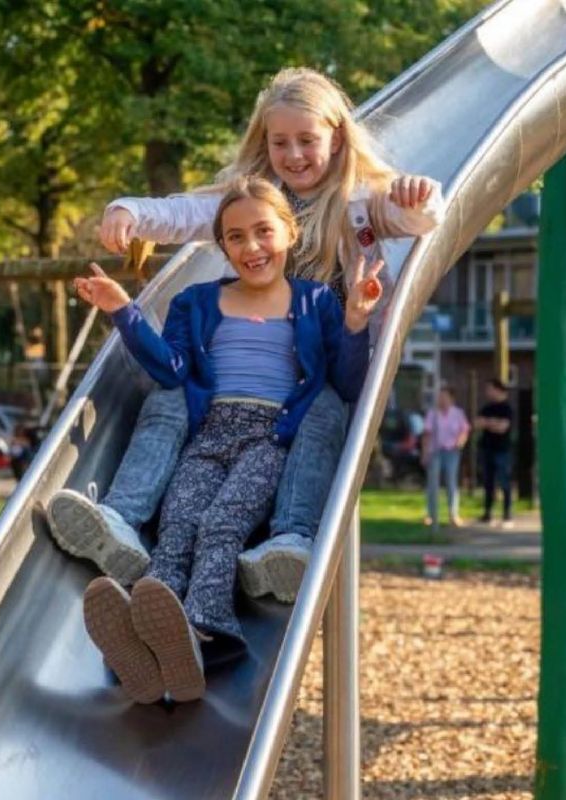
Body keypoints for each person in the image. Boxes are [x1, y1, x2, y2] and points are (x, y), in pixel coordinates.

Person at [47, 67, 444, 603]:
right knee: (170, 401)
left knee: (325, 410)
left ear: (337, 138)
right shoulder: (253, 202)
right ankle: (120, 519)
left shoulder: (362, 204)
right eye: (280, 142)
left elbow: (419, 216)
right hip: (241, 378)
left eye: (308, 140)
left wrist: (419, 197)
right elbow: (185, 213)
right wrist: (130, 211)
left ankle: (289, 539)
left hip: (318, 373)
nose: (295, 154)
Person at [75, 178, 382, 703]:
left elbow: (347, 383)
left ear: (290, 232)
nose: (252, 247)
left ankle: (205, 630)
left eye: (264, 231)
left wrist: (355, 320)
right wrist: (123, 310)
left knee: (222, 522)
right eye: (236, 237)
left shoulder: (314, 302)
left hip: (270, 436)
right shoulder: (196, 302)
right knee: (178, 521)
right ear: (223, 246)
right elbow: (169, 368)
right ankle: (151, 639)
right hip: (211, 431)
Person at [421, 386, 470, 527]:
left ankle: (453, 514)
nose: (441, 399)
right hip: (435, 451)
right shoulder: (433, 413)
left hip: (451, 452)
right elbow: (427, 434)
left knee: (451, 482)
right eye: (440, 396)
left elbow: (464, 430)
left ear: (451, 399)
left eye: (444, 396)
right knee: (432, 484)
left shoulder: (458, 413)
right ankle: (431, 514)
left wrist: (460, 442)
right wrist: (425, 453)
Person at [476, 379, 513, 526]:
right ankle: (487, 513)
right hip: (487, 449)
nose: (487, 392)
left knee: (504, 481)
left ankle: (507, 514)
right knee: (488, 483)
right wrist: (493, 423)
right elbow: (477, 423)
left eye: (490, 389)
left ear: (498, 389)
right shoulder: (487, 407)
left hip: (502, 450)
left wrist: (488, 423)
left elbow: (503, 427)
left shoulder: (506, 408)